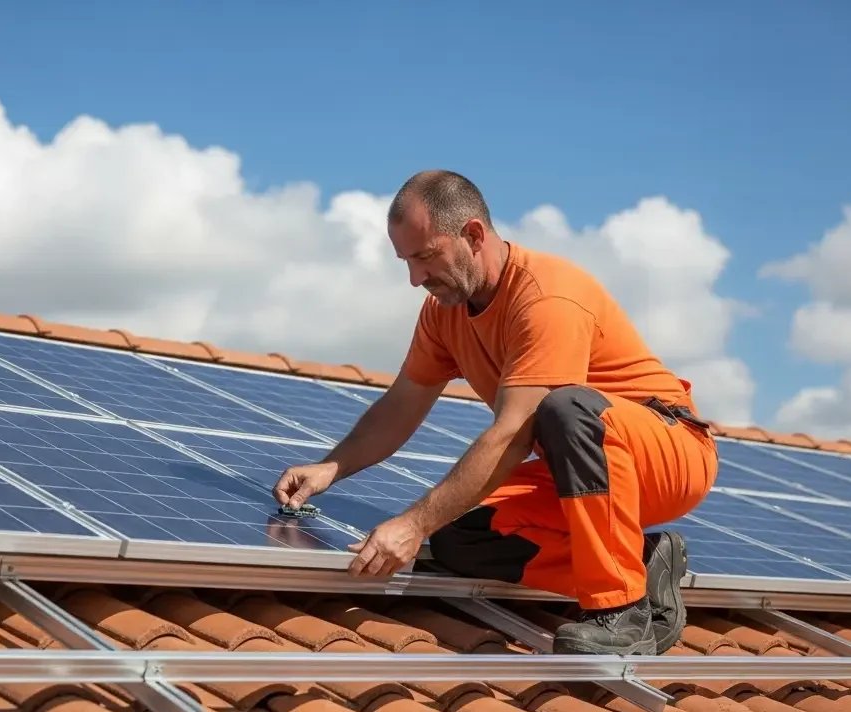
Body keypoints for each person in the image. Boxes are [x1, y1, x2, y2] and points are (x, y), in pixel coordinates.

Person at [272, 170, 718, 656]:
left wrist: (410, 525)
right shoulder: (444, 313)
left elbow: (513, 434)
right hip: (581, 472)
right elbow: (401, 405)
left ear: (473, 235)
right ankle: (646, 562)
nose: (415, 279)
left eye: (424, 257)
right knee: (455, 533)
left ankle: (620, 610)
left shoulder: (547, 296)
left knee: (567, 408)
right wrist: (331, 468)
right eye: (406, 262)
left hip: (667, 452)